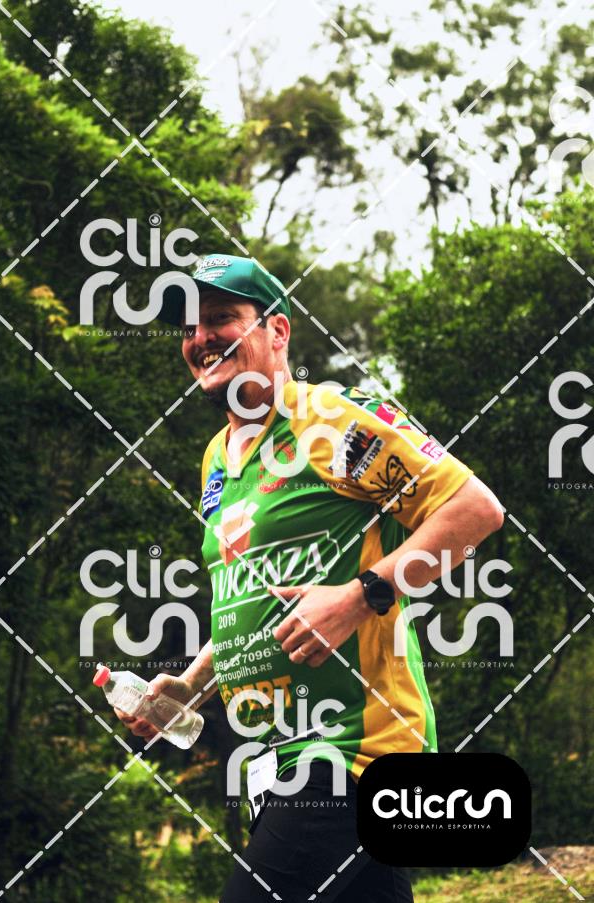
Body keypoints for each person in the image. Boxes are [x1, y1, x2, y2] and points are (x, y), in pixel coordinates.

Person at [115, 254, 504, 902]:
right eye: (188, 327)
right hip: (279, 761)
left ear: (277, 331)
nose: (201, 338)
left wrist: (360, 596)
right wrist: (190, 686)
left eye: (221, 318)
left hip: (352, 752)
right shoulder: (217, 459)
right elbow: (250, 599)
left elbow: (474, 509)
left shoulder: (328, 419)